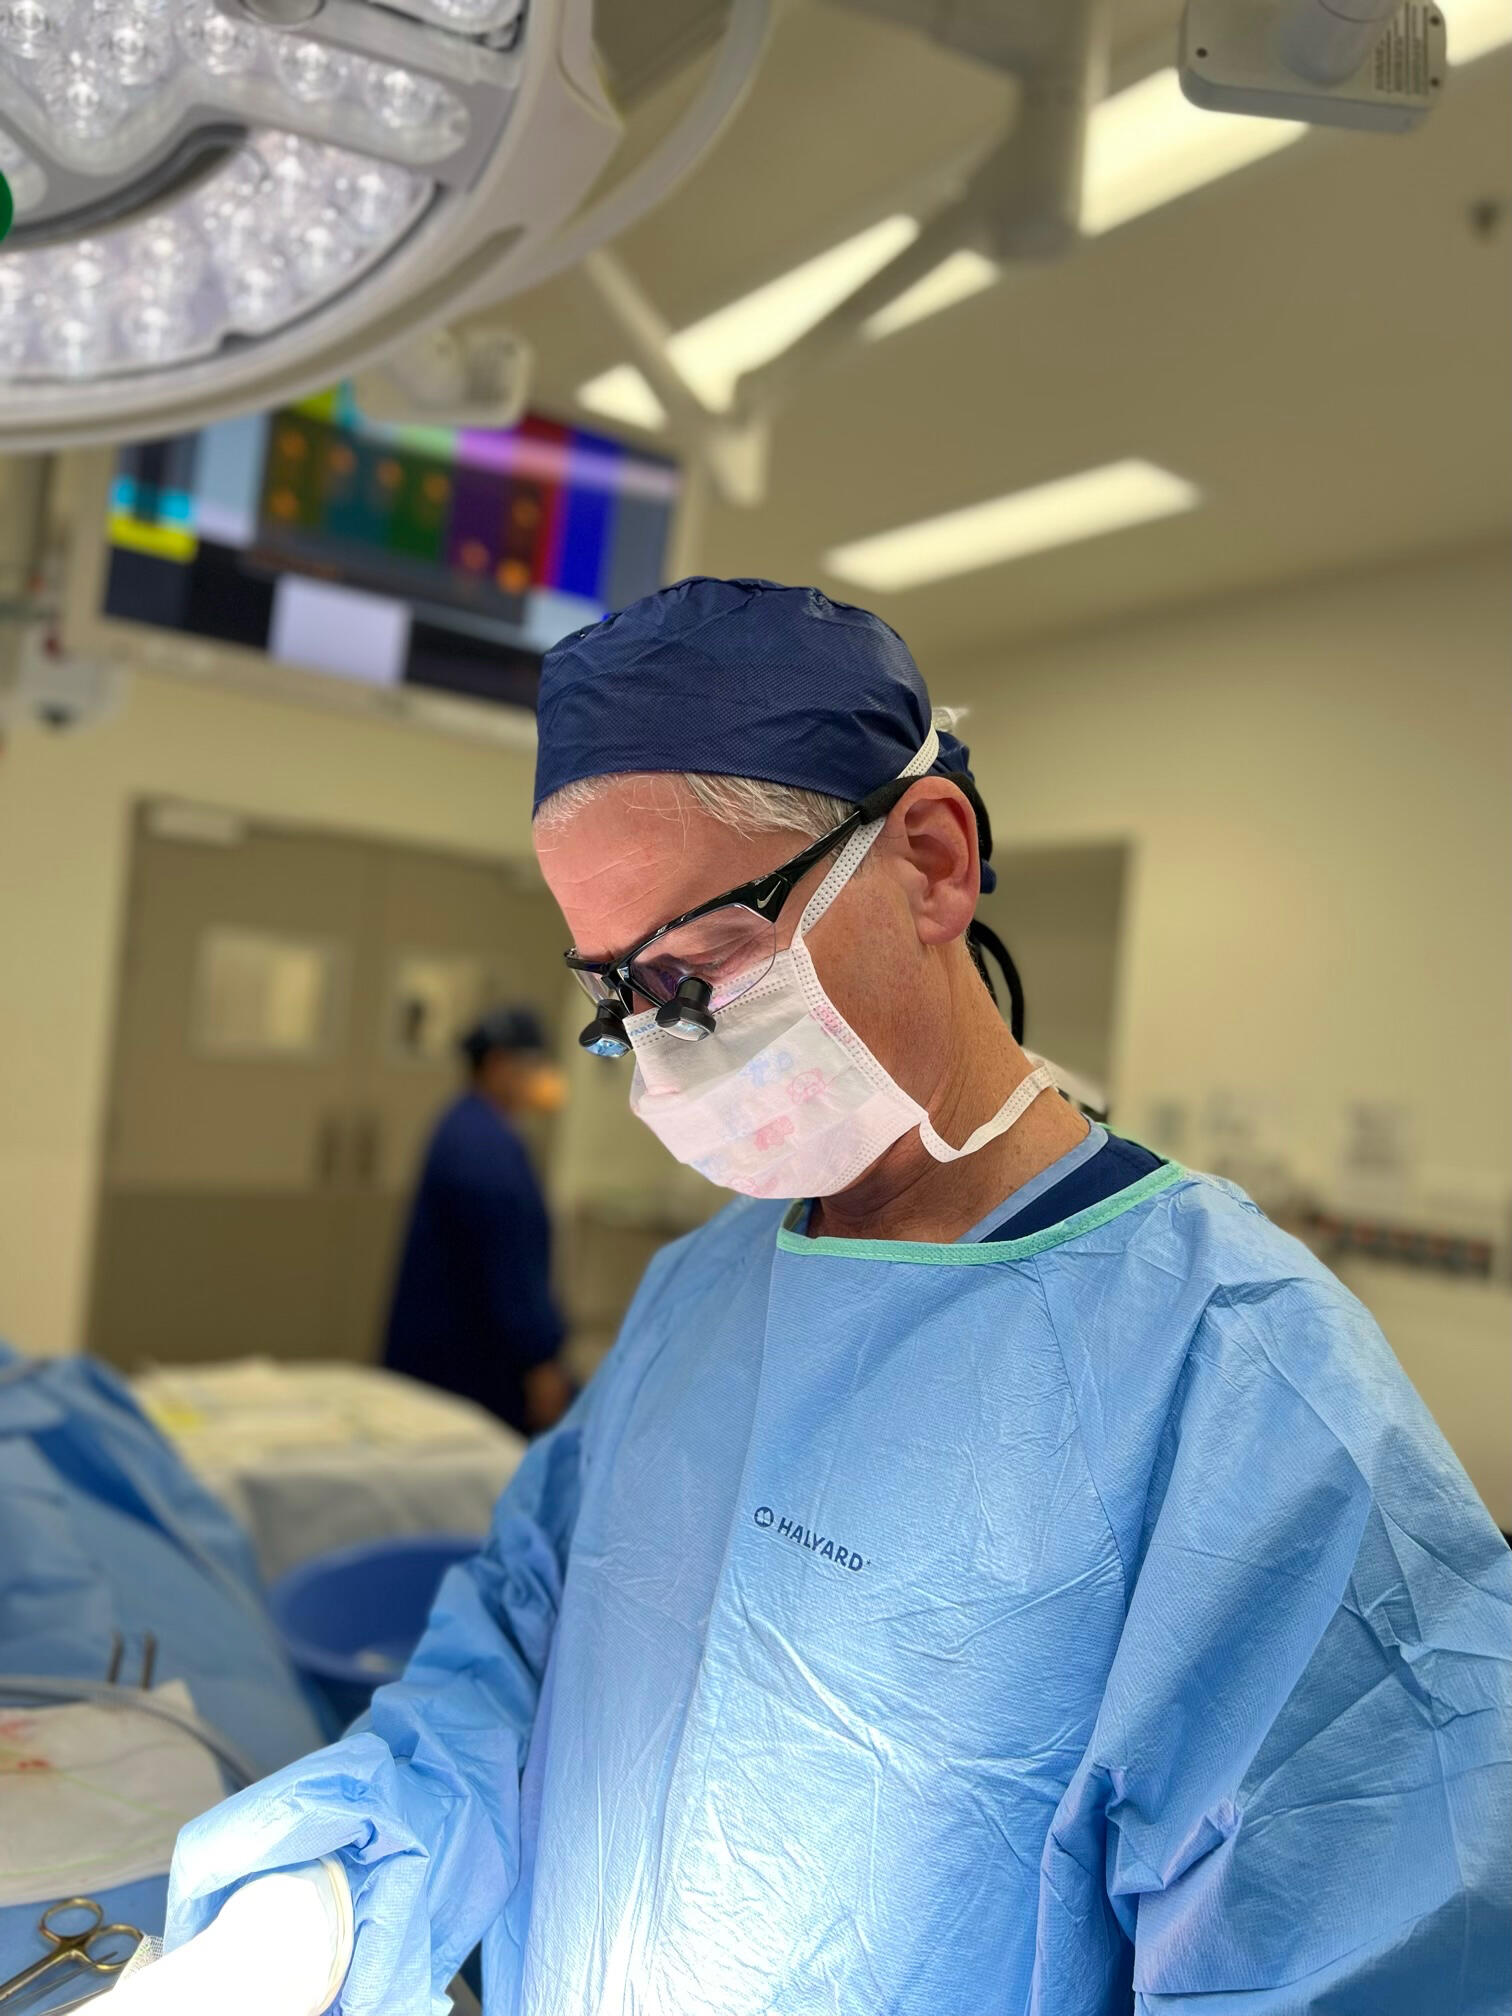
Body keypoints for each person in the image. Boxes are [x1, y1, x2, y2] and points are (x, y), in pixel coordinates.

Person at [161, 579, 1509, 2016]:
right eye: (622, 996)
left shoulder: (1238, 1382)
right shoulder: (704, 1290)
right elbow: (517, 1646)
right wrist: (328, 1899)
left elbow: (1361, 1951)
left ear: (931, 862)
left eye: (700, 970)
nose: (664, 1049)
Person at [382, 1006, 573, 1437]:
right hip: (471, 1362)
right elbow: (511, 1263)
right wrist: (540, 1358)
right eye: (533, 1065)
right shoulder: (485, 1148)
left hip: (446, 1349)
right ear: (500, 1064)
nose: (542, 1078)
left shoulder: (464, 1124)